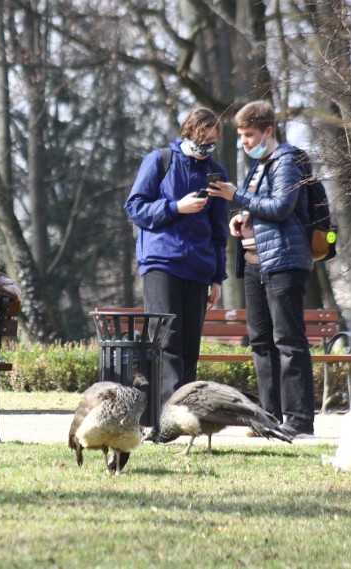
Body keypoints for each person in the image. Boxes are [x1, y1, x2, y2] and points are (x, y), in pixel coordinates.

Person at [206, 100, 315, 438]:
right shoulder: (260, 166)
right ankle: (269, 417)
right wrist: (243, 218)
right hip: (255, 263)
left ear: (269, 131)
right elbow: (262, 209)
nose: (245, 143)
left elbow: (283, 207)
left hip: (282, 263)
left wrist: (236, 196)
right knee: (261, 343)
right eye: (241, 136)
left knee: (288, 341)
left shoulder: (286, 162)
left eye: (250, 135)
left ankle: (298, 422)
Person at [123, 108, 229, 411]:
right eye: (201, 143)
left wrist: (217, 277)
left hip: (199, 267)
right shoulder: (160, 161)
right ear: (188, 134)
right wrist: (175, 208)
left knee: (189, 344)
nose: (205, 151)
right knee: (165, 339)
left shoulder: (217, 172)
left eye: (211, 144)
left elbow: (219, 230)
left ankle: (185, 411)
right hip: (161, 262)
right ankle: (163, 414)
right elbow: (135, 208)